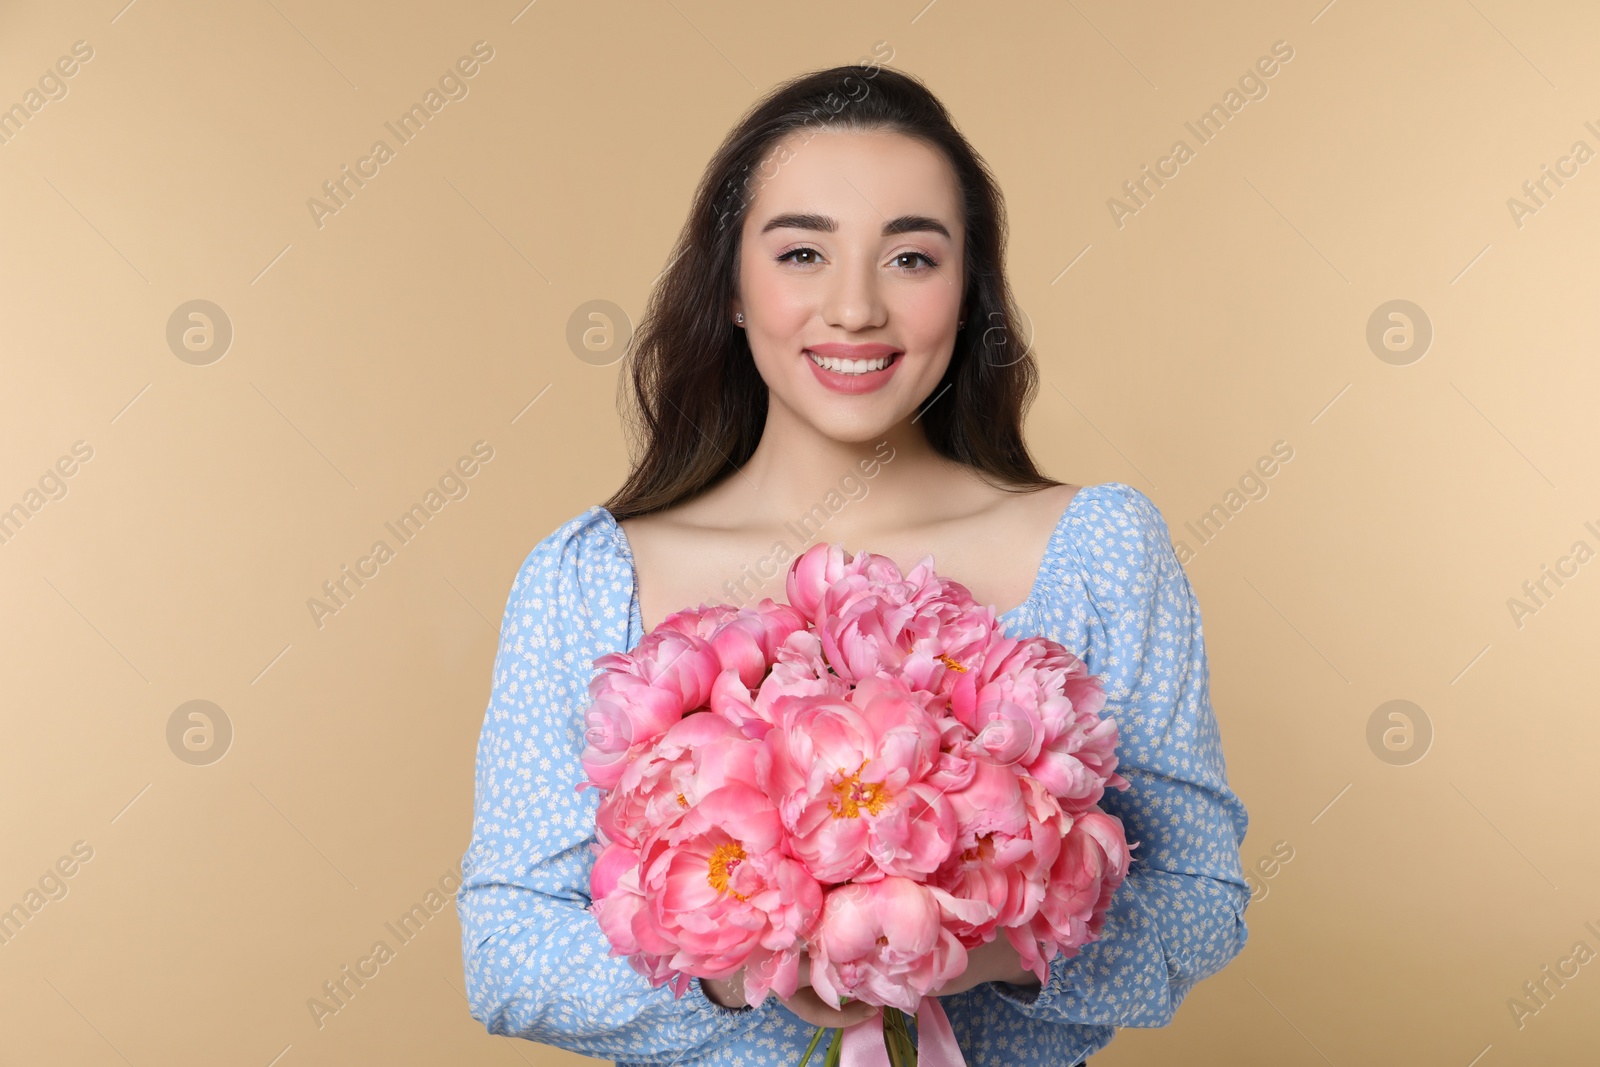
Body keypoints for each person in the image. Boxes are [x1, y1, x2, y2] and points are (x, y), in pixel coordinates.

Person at [457, 63, 1250, 1067]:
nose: (854, 308)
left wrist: (980, 942)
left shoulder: (1099, 550)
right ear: (733, 290)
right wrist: (743, 966)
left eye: (911, 258)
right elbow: (504, 947)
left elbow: (1196, 898)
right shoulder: (589, 577)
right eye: (800, 252)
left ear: (969, 294)